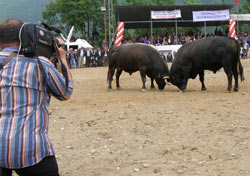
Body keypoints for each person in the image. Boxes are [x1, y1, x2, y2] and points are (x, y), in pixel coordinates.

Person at [0, 18, 73, 176]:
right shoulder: (39, 64)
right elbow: (65, 91)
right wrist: (61, 58)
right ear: (25, 36)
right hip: (30, 150)